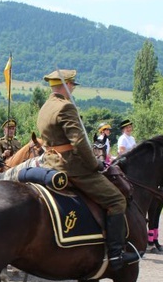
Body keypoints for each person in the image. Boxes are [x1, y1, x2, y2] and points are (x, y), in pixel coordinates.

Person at [35, 69, 138, 270]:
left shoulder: (45, 107)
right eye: (72, 85)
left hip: (49, 162)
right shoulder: (66, 107)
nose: (73, 88)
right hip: (70, 166)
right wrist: (95, 164)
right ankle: (116, 254)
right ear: (66, 85)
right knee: (116, 200)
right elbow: (79, 142)